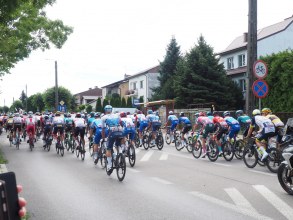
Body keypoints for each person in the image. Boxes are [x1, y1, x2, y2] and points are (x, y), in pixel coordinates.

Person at [101, 105, 123, 172]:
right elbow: (121, 123)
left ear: (105, 110)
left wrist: (103, 138)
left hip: (112, 131)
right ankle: (120, 155)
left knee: (109, 148)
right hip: (120, 130)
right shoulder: (117, 115)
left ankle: (109, 166)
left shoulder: (103, 117)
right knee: (118, 145)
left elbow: (103, 129)